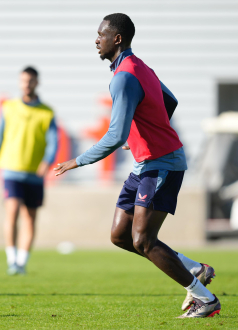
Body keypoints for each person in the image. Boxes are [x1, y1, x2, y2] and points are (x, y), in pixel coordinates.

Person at [54, 14, 220, 318]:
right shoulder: (139, 67)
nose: (96, 40)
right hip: (145, 164)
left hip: (163, 163)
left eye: (100, 34)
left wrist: (76, 161)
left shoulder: (125, 76)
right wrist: (143, 132)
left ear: (116, 39)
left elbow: (116, 135)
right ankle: (195, 269)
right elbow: (170, 101)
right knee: (120, 235)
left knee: (143, 239)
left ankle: (205, 299)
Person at [0, 66, 58, 275]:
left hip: (34, 174)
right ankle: (11, 260)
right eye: (23, 80)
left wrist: (47, 161)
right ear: (20, 82)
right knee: (12, 211)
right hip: (10, 169)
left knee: (30, 218)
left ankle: (22, 261)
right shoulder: (9, 107)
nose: (27, 84)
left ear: (37, 83)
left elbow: (53, 142)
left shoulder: (47, 112)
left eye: (31, 81)